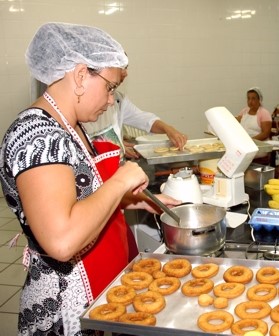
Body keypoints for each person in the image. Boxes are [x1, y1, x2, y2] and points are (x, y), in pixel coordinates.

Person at [0, 23, 180, 335]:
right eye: (110, 87)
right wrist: (120, 182)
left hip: (94, 296)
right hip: (64, 310)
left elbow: (78, 201)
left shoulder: (71, 127)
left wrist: (132, 199)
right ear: (81, 75)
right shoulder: (38, 137)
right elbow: (62, 240)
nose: (112, 100)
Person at [83, 65, 187, 160]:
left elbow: (143, 119)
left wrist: (168, 129)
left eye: (126, 67)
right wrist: (115, 146)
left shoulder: (118, 99)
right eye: (122, 67)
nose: (126, 73)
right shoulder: (81, 109)